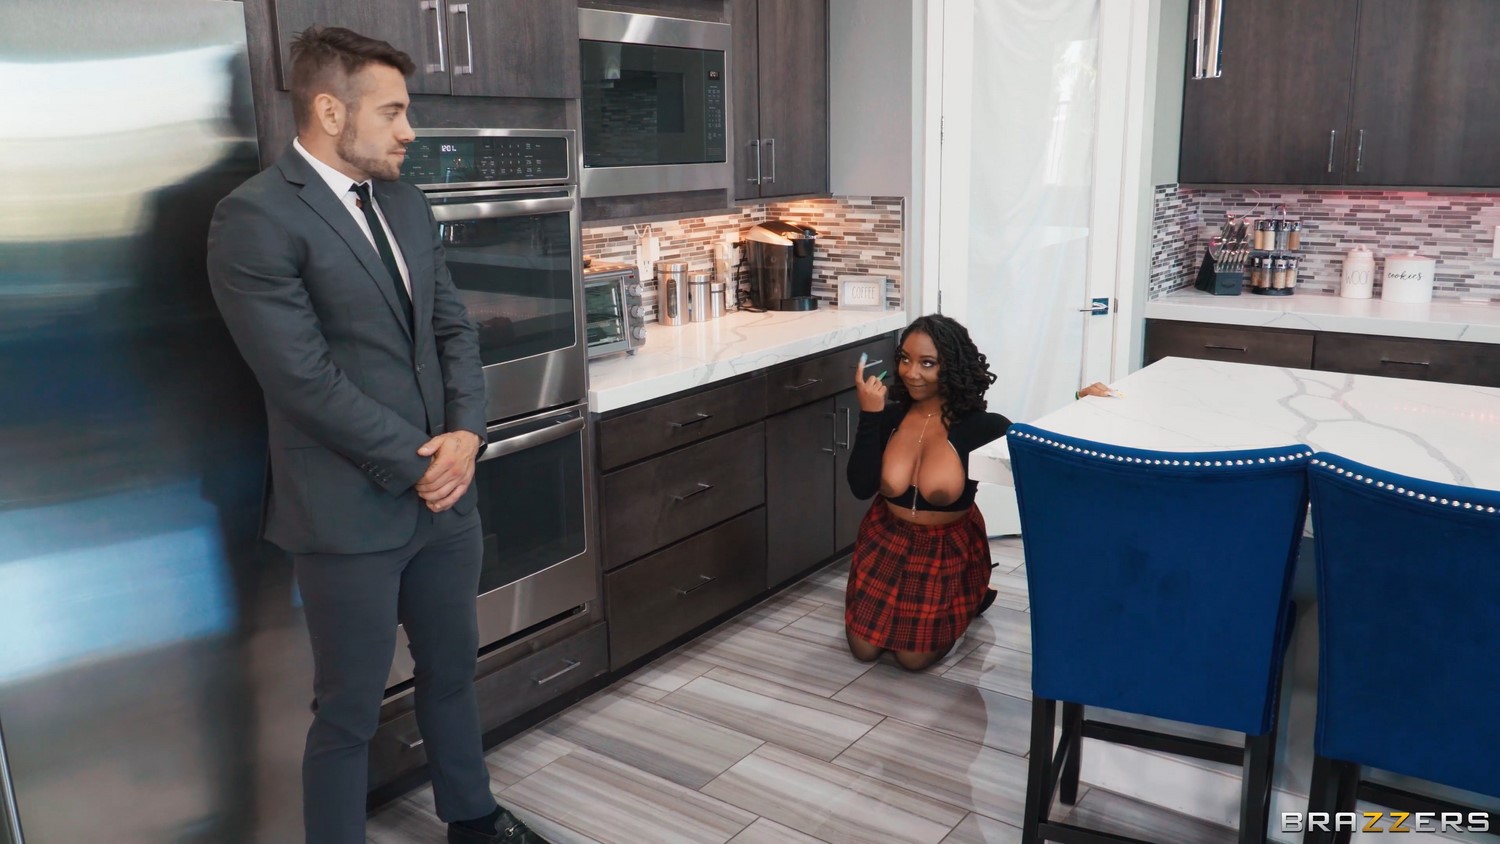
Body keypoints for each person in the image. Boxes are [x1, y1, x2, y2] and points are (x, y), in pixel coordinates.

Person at [206, 26, 546, 844]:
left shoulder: (404, 201)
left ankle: (473, 820)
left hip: (446, 497)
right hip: (346, 511)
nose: (409, 131)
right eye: (392, 112)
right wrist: (417, 462)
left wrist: (466, 435)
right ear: (331, 111)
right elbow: (301, 379)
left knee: (452, 673)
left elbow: (453, 328)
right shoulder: (253, 217)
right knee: (349, 709)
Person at [843, 314, 1011, 671]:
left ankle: (971, 594)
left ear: (952, 367)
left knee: (913, 659)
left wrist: (1084, 402)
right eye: (905, 359)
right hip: (885, 538)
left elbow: (1041, 454)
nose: (911, 372)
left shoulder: (983, 427)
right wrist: (870, 416)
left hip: (946, 548)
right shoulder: (889, 417)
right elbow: (861, 487)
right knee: (864, 650)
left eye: (927, 363)